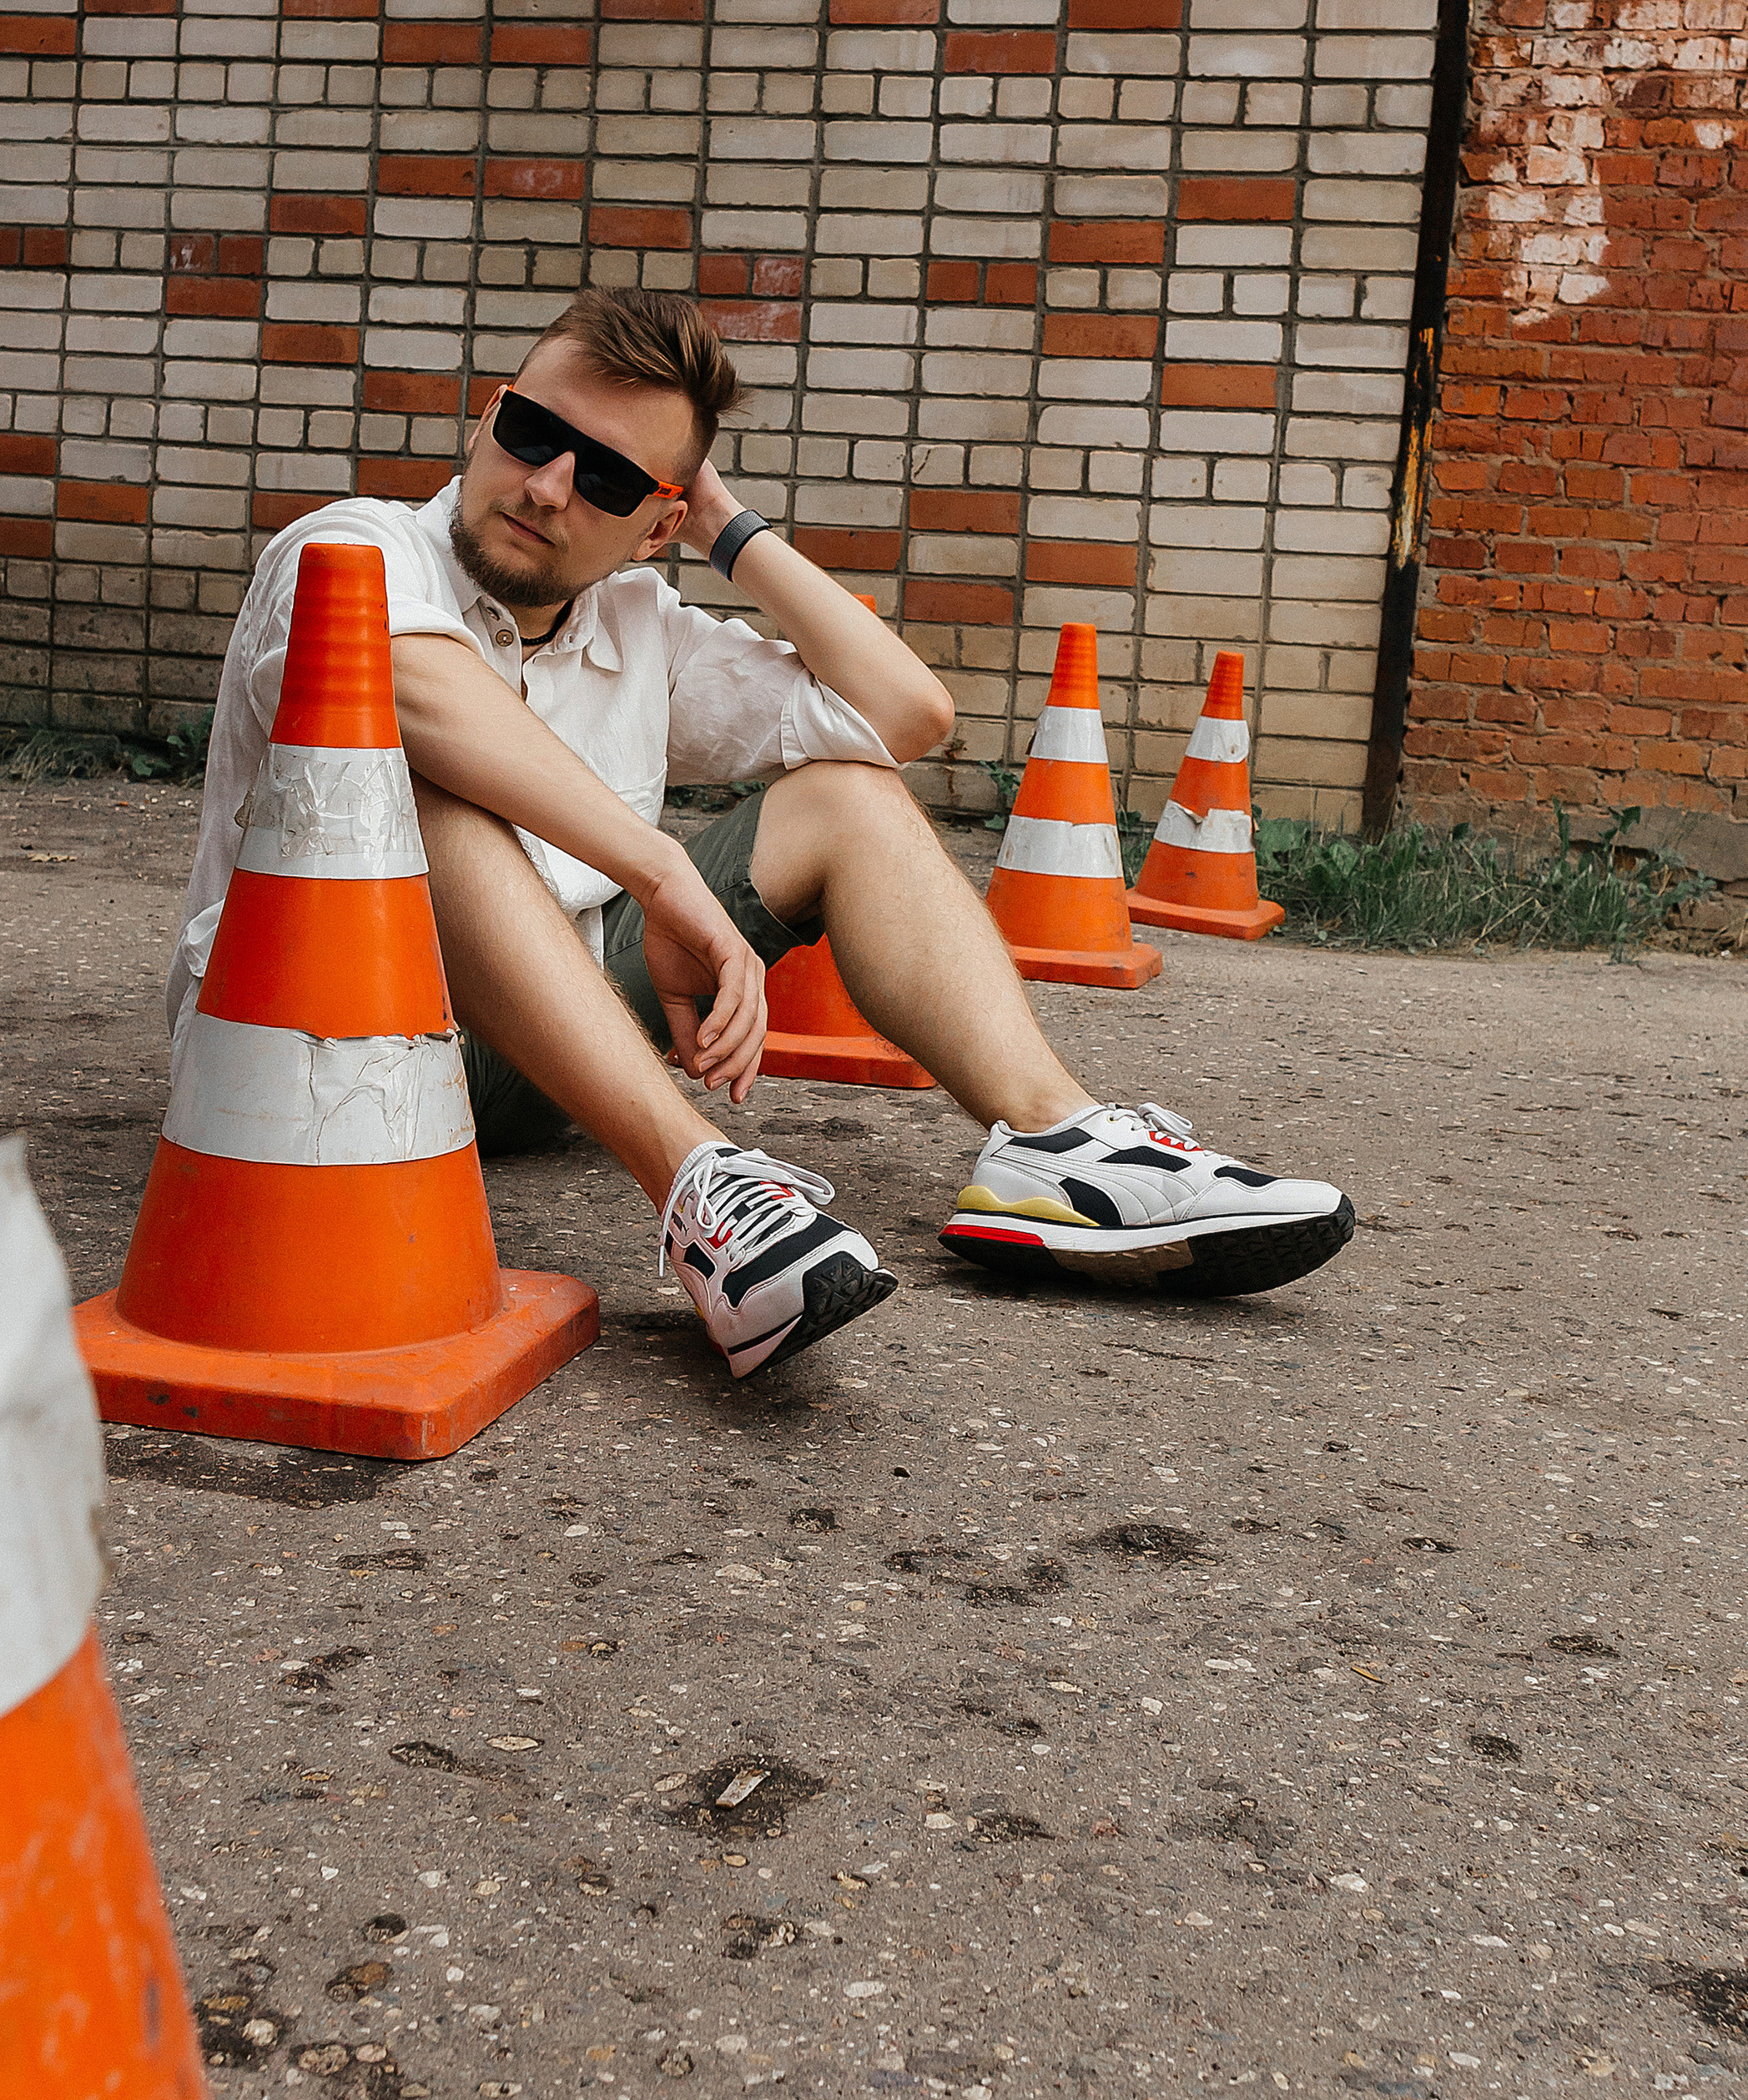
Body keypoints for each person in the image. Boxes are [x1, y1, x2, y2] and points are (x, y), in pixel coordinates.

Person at [169, 287, 1353, 1381]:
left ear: (655, 524)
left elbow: (902, 716)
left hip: (537, 1053)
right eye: (531, 434)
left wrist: (729, 529)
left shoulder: (639, 623)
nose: (544, 486)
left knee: (848, 792)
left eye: (610, 484)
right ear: (488, 421)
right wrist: (661, 869)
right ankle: (703, 1188)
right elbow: (416, 697)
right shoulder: (343, 550)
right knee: (426, 783)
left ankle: (1053, 1146)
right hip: (319, 1060)